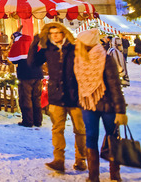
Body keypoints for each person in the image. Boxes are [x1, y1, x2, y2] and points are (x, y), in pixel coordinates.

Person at [29, 22, 87, 173]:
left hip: (75, 96)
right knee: (57, 129)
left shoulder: (74, 48)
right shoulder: (48, 50)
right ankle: (59, 160)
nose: (54, 35)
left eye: (57, 32)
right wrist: (35, 43)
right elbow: (32, 62)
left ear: (64, 33)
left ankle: (81, 159)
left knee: (80, 130)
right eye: (51, 33)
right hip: (56, 96)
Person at [73, 28, 127, 182]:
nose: (77, 44)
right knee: (90, 137)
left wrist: (120, 111)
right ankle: (93, 175)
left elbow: (115, 86)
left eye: (80, 41)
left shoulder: (106, 59)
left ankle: (115, 173)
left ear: (86, 43)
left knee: (112, 137)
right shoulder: (79, 59)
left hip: (108, 105)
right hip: (87, 104)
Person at [8, 30, 43, 128]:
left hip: (25, 75)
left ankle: (28, 121)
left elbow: (12, 60)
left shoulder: (18, 44)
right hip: (38, 74)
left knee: (25, 98)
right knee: (36, 98)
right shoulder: (33, 43)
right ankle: (38, 121)